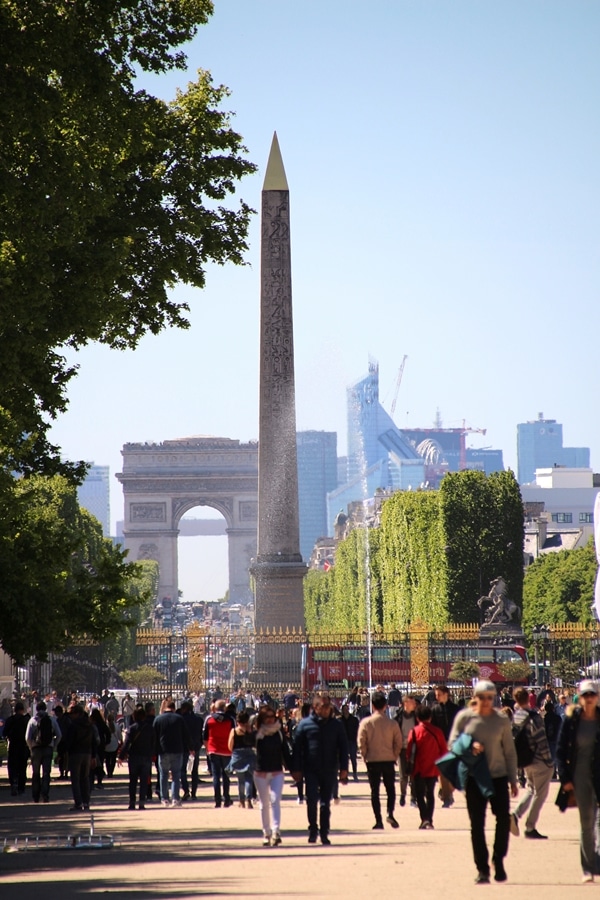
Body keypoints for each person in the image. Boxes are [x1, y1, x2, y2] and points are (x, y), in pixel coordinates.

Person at [449, 680, 518, 885]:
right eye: (482, 697)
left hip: (498, 776)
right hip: (474, 778)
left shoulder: (501, 720)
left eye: (490, 697)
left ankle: (499, 858)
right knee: (477, 825)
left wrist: (513, 780)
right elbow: (452, 744)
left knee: (503, 819)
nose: (486, 701)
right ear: (475, 697)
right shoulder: (464, 718)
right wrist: (470, 745)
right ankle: (482, 868)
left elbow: (510, 751)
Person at [556, 679, 600, 883]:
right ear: (579, 698)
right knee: (586, 822)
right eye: (585, 695)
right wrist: (564, 777)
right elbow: (560, 750)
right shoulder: (571, 720)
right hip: (580, 777)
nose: (589, 699)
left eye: (592, 695)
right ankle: (588, 868)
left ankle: (595, 860)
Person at [291, 692, 348, 846]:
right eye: (323, 706)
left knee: (325, 803)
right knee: (311, 800)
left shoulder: (336, 725)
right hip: (310, 769)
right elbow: (297, 749)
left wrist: (344, 769)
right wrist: (295, 769)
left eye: (328, 706)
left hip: (329, 768)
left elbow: (343, 748)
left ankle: (324, 832)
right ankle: (313, 830)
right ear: (315, 708)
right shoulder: (304, 725)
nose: (327, 709)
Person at [510, 687, 554, 840]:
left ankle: (515, 814)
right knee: (540, 794)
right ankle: (530, 826)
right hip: (539, 760)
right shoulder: (534, 717)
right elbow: (541, 740)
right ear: (528, 698)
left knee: (530, 789)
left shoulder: (516, 717)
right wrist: (549, 760)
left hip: (525, 760)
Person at [357, 690, 402, 830]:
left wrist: (365, 755)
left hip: (372, 760)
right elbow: (398, 742)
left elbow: (361, 741)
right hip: (388, 759)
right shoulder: (392, 723)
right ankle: (390, 812)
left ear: (373, 705)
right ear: (385, 706)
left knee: (374, 791)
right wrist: (394, 755)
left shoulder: (366, 722)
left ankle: (378, 820)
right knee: (390, 789)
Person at [253, 705, 290, 847]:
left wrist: (293, 768)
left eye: (272, 716)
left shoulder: (278, 732)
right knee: (263, 803)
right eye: (266, 717)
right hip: (260, 771)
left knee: (275, 800)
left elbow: (285, 750)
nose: (270, 719)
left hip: (276, 771)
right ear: (261, 718)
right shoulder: (257, 733)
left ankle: (276, 831)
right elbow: (246, 744)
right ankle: (266, 832)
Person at [406, 705, 447, 829]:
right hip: (433, 767)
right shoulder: (438, 732)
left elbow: (409, 752)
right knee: (430, 793)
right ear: (430, 717)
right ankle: (429, 818)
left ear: (417, 718)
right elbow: (444, 750)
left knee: (419, 794)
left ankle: (424, 818)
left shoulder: (414, 732)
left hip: (418, 768)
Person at [153, 698, 190, 807]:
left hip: (163, 750)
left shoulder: (158, 719)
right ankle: (175, 798)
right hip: (177, 750)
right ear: (174, 708)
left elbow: (154, 736)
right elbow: (186, 734)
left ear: (165, 708)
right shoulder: (179, 719)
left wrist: (154, 750)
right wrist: (190, 747)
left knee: (163, 775)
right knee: (176, 775)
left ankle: (164, 798)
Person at [119, 706, 155, 810]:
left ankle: (132, 802)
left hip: (134, 757)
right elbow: (153, 743)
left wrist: (121, 756)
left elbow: (126, 744)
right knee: (144, 781)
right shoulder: (150, 728)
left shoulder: (132, 728)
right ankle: (142, 802)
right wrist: (152, 754)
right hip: (146, 757)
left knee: (133, 781)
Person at [25, 701, 61, 803]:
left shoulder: (32, 720)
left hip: (36, 749)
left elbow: (27, 737)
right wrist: (54, 745)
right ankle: (45, 794)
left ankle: (35, 795)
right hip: (48, 748)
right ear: (45, 709)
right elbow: (59, 735)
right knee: (46, 773)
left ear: (36, 709)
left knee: (35, 773)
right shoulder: (51, 720)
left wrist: (31, 747)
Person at [430, 684, 459, 808]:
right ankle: (447, 798)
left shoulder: (456, 709)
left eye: (439, 695)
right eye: (436, 695)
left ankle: (446, 790)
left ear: (446, 694)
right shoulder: (435, 709)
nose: (437, 697)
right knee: (442, 772)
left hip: (455, 744)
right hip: (441, 745)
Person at [203, 698, 235, 807]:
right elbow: (233, 735)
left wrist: (207, 749)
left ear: (215, 708)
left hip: (213, 750)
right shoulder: (230, 719)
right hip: (227, 750)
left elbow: (205, 736)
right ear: (224, 708)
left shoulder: (209, 719)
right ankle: (226, 798)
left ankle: (217, 800)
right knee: (226, 776)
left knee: (216, 776)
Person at [65, 704, 97, 811]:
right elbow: (94, 741)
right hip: (87, 753)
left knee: (75, 779)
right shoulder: (89, 725)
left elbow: (69, 741)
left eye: (71, 714)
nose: (70, 716)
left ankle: (78, 803)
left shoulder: (73, 725)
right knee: (85, 778)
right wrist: (93, 756)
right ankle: (86, 802)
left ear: (77, 713)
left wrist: (64, 752)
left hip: (76, 753)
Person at [227, 710, 256, 809]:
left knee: (240, 780)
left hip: (237, 755)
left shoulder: (234, 731)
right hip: (249, 754)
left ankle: (241, 801)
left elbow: (230, 746)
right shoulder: (251, 731)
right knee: (249, 779)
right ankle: (249, 800)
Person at [3, 701, 30, 796]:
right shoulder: (26, 720)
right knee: (22, 767)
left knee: (12, 767)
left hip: (13, 746)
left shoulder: (10, 720)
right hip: (23, 746)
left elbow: (4, 733)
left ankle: (13, 783)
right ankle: (21, 787)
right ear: (22, 710)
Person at [396, 694, 419, 807]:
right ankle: (403, 794)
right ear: (406, 703)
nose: (414, 704)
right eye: (412, 702)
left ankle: (413, 797)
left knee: (414, 774)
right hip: (402, 749)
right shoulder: (398, 718)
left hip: (414, 749)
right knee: (403, 775)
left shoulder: (417, 718)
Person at [179, 700, 203, 800]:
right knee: (194, 771)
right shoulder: (198, 719)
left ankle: (186, 790)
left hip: (184, 747)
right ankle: (194, 792)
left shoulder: (181, 719)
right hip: (195, 747)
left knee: (182, 770)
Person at [340, 703, 360, 781]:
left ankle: (355, 772)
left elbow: (357, 730)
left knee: (353, 758)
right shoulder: (340, 720)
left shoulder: (354, 719)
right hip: (343, 742)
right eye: (344, 709)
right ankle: (345, 774)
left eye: (347, 709)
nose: (346, 711)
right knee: (344, 759)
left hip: (352, 740)